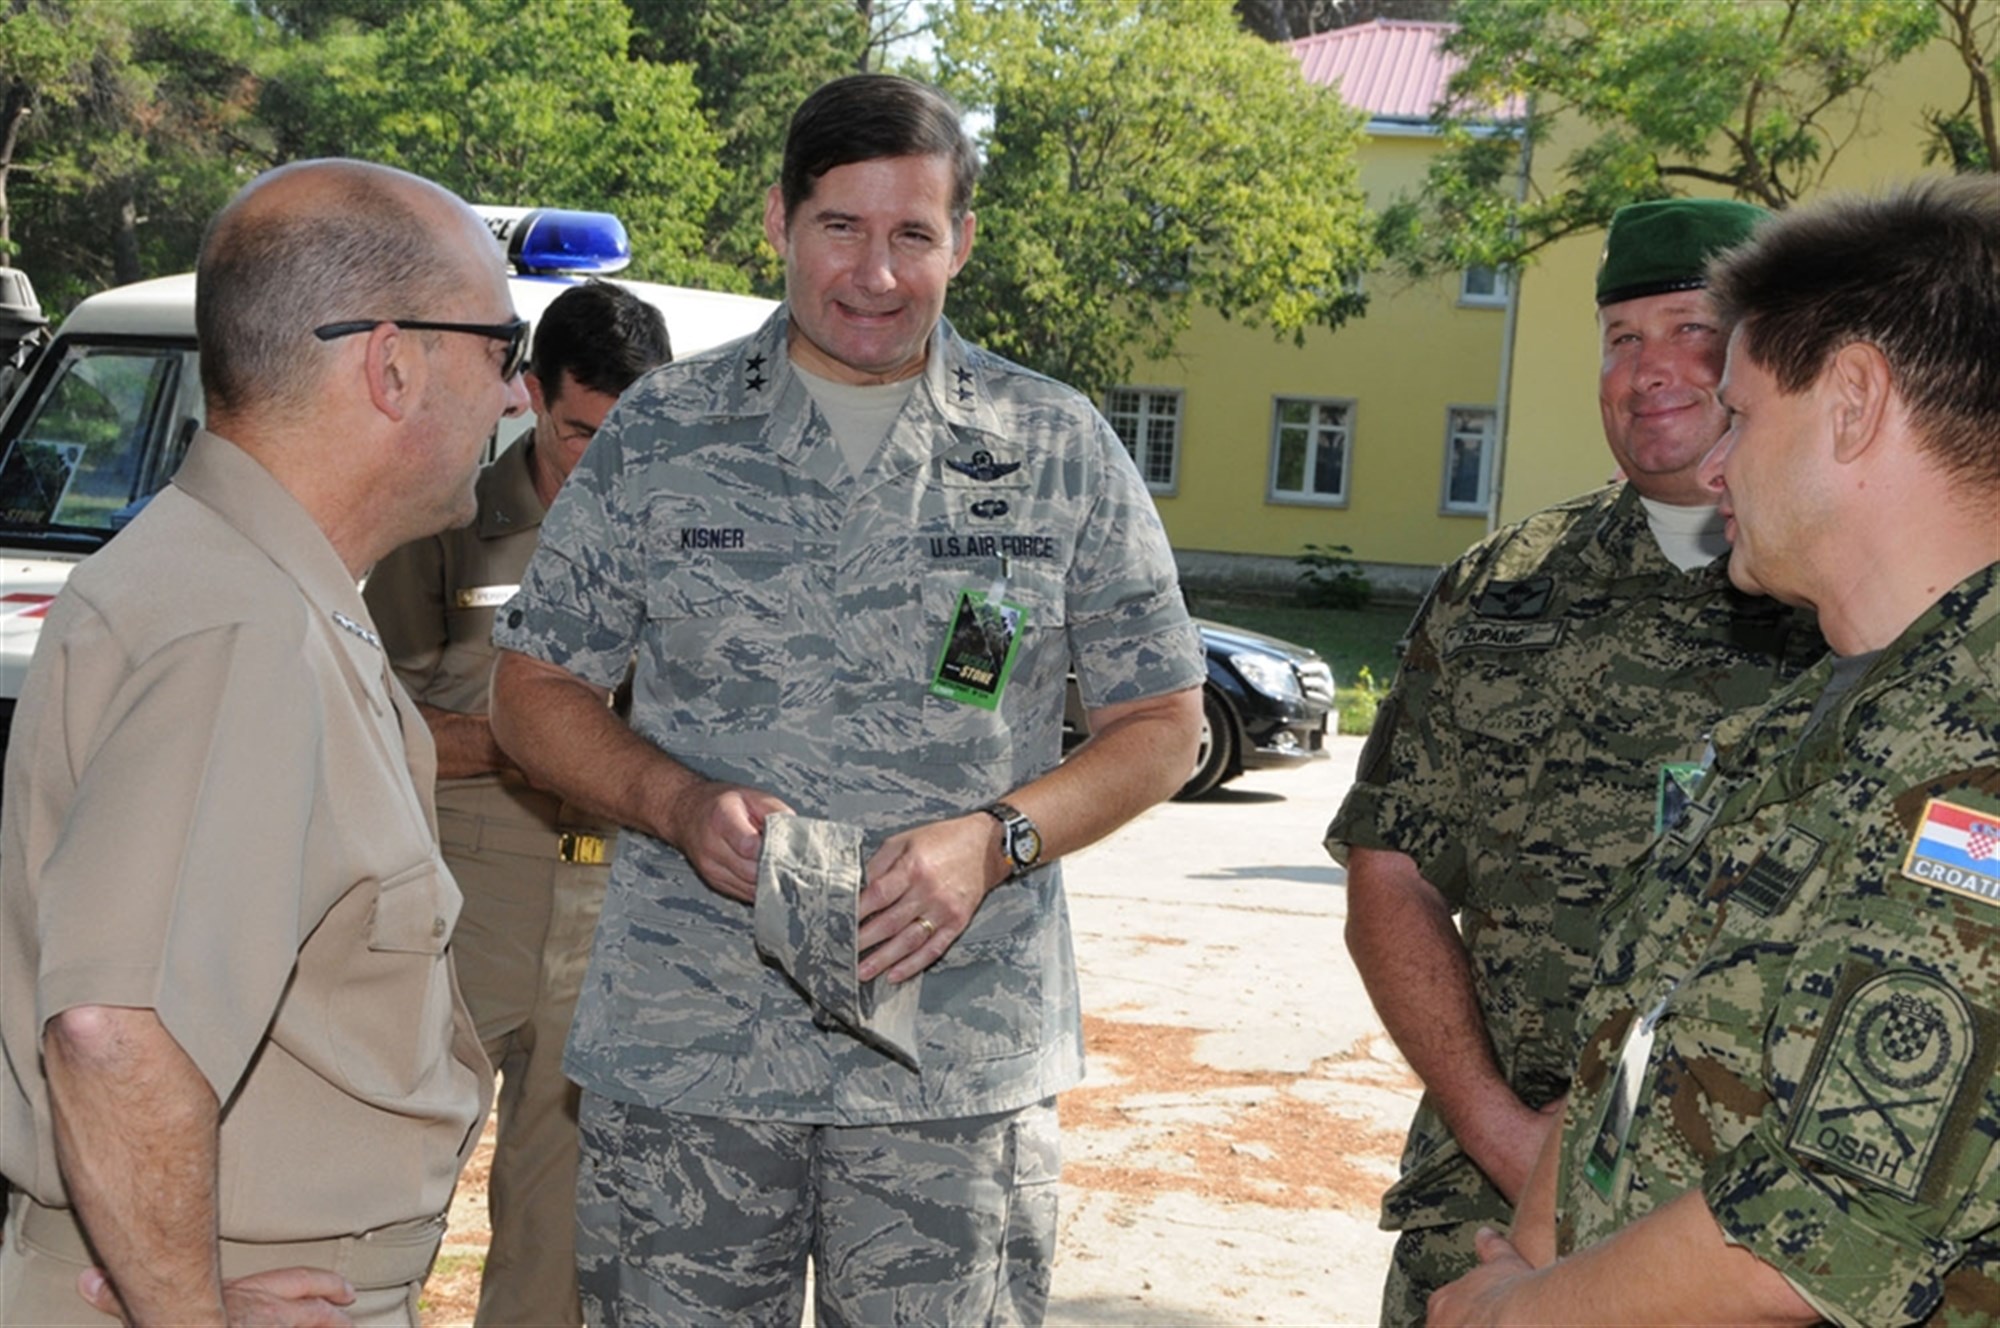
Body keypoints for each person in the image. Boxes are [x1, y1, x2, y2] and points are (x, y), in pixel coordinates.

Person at [487, 73, 1204, 1326]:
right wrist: (674, 798)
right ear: (779, 220)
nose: (875, 273)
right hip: (690, 1055)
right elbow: (532, 687)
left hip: (952, 1073)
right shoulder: (662, 433)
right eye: (842, 228)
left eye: (912, 234)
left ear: (961, 240)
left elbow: (1162, 724)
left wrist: (994, 842)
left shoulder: (1054, 443)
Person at [1428, 174, 2000, 1328]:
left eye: (1738, 415)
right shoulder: (1781, 736)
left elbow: (1823, 1224)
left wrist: (1511, 1315)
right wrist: (1529, 1266)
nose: (1713, 463)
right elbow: (1627, 1043)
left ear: (1850, 403)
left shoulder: (1974, 756)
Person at [0, 159, 521, 1326]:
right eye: (503, 344)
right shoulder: (243, 627)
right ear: (393, 365)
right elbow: (113, 1031)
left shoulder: (246, 586)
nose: (516, 394)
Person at [1324, 197, 1827, 1323]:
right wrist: (1509, 1137)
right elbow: (1388, 874)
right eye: (1618, 338)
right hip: (1487, 1217)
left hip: (1752, 1237)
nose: (1647, 370)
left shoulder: (1848, 597)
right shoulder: (1501, 589)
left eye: (1688, 330)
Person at [362, 279, 670, 1328]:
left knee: (561, 1224)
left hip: (614, 908)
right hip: (468, 897)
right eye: (584, 430)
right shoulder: (444, 522)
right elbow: (374, 725)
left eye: (633, 433)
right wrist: (533, 740)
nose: (608, 460)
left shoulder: (685, 536)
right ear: (532, 394)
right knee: (388, 1188)